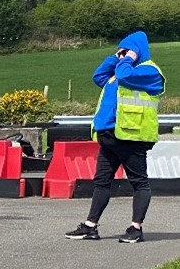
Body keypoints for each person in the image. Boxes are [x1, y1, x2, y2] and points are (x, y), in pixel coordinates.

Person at [67, 32, 166, 244]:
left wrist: (129, 58)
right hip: (110, 135)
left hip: (132, 137)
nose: (122, 54)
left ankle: (135, 228)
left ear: (137, 51)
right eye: (120, 50)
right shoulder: (118, 70)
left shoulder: (148, 71)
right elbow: (98, 76)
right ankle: (90, 226)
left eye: (126, 50)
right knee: (102, 181)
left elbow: (125, 76)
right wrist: (116, 56)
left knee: (138, 182)